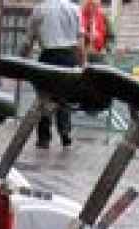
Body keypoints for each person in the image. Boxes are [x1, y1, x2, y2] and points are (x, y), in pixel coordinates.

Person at [26, 0, 84, 147]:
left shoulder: (39, 8)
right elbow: (80, 41)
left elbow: (28, 40)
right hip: (69, 57)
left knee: (45, 97)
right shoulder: (75, 9)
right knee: (65, 97)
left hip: (48, 56)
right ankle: (65, 132)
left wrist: (22, 60)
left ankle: (44, 138)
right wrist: (83, 64)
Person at [80, 0, 108, 64]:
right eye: (92, 5)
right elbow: (79, 31)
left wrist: (106, 48)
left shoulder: (101, 15)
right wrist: (87, 34)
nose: (93, 8)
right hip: (85, 52)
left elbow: (108, 34)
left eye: (96, 6)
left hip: (98, 51)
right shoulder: (81, 15)